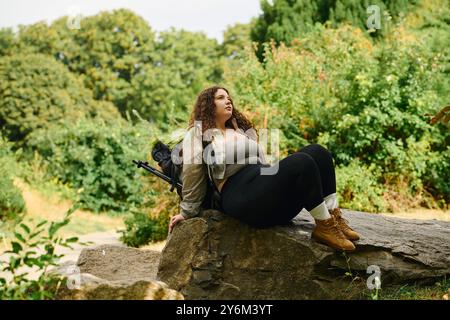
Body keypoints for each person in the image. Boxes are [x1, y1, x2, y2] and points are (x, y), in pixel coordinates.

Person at [168, 86, 360, 251]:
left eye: (228, 97)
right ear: (208, 105)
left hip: (264, 189)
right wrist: (187, 211)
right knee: (302, 162)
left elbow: (264, 166)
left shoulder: (238, 129)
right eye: (220, 98)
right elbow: (193, 172)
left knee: (318, 152)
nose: (228, 101)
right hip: (242, 196)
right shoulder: (198, 132)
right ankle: (324, 226)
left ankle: (334, 219)